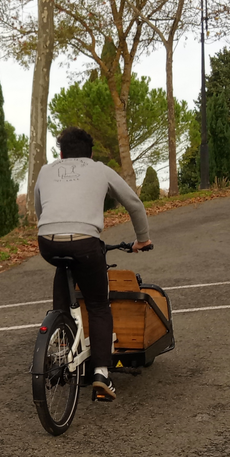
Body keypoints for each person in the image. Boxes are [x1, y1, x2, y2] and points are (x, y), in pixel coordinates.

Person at [33, 127, 152, 402]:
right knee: (99, 305)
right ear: (90, 153)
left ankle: (60, 338)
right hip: (85, 243)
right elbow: (134, 203)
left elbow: (40, 210)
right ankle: (101, 373)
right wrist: (142, 240)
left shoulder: (45, 170)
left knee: (63, 267)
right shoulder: (99, 169)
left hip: (48, 241)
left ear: (61, 153)